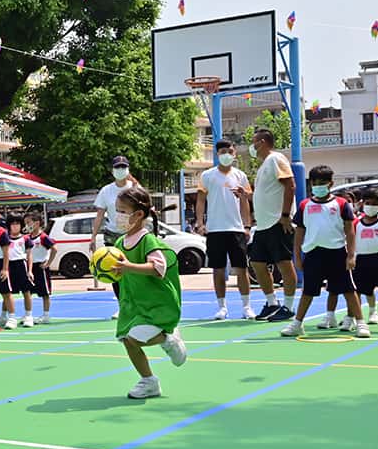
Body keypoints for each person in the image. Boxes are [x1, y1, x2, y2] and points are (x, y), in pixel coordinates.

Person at [110, 187, 188, 399]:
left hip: (156, 303)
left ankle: (167, 339)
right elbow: (120, 271)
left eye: (122, 211)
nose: (117, 215)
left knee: (137, 339)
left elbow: (158, 268)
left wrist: (128, 266)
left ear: (138, 215)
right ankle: (148, 381)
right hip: (133, 303)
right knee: (127, 340)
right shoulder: (119, 243)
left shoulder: (148, 241)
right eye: (116, 210)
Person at [282, 166, 370, 339]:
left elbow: (350, 231)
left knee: (348, 290)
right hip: (313, 254)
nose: (318, 186)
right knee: (308, 291)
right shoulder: (305, 205)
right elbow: (299, 232)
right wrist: (297, 257)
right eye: (315, 183)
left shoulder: (341, 204)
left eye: (322, 183)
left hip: (337, 254)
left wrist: (351, 255)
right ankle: (297, 324)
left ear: (330, 183)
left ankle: (360, 323)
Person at [194, 139, 256, 320]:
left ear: (235, 153)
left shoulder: (240, 176)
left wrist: (247, 225)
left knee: (241, 269)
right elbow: (200, 200)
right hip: (214, 230)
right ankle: (221, 307)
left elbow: (246, 200)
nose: (226, 155)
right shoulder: (207, 175)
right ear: (217, 154)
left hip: (236, 229)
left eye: (230, 151)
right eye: (222, 152)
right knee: (218, 269)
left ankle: (246, 307)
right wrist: (200, 223)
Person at [247, 129, 298, 321]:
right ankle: (272, 303)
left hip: (278, 222)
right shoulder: (263, 166)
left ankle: (289, 306)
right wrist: (247, 196)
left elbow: (290, 185)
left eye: (254, 143)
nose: (252, 147)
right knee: (257, 263)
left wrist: (285, 215)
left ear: (262, 142)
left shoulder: (276, 159)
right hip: (263, 226)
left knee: (283, 263)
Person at [91, 156, 139, 319]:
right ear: (112, 170)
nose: (120, 170)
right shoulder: (106, 190)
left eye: (123, 167)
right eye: (117, 167)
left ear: (128, 169)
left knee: (133, 271)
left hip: (133, 233)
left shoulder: (135, 188)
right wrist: (93, 237)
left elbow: (145, 207)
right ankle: (123, 306)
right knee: (115, 272)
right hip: (113, 235)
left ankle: (137, 304)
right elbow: (99, 215)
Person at [320, 190, 361, 330]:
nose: (346, 203)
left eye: (349, 200)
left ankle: (352, 317)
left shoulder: (358, 221)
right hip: (339, 257)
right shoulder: (334, 219)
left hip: (355, 257)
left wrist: (352, 255)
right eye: (343, 200)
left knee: (352, 290)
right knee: (333, 289)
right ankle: (330, 316)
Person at [352, 188, 378, 326]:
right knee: (359, 290)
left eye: (374, 204)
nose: (370, 206)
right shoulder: (356, 223)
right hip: (361, 260)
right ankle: (355, 317)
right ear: (363, 204)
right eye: (367, 203)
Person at [25, 211, 58, 324]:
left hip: (40, 267)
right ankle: (28, 314)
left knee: (45, 293)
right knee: (28, 292)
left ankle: (46, 315)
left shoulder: (43, 237)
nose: (27, 226)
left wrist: (48, 263)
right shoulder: (27, 238)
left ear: (37, 223)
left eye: (29, 223)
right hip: (30, 267)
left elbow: (54, 249)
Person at [3, 213, 34, 328]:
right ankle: (6, 316)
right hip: (8, 265)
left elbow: (29, 255)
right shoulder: (5, 238)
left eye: (17, 223)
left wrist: (30, 271)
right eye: (13, 223)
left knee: (26, 292)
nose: (15, 226)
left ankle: (28, 315)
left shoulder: (25, 238)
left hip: (21, 264)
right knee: (7, 292)